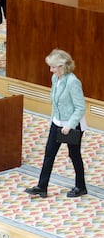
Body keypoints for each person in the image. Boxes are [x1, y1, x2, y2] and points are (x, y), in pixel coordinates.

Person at [25, 49, 87, 198]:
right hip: (57, 122)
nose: (50, 70)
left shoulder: (73, 82)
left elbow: (80, 107)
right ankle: (42, 187)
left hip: (72, 125)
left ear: (61, 67)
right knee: (49, 154)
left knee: (74, 155)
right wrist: (53, 120)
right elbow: (55, 102)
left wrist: (69, 125)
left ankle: (81, 186)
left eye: (53, 67)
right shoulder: (55, 79)